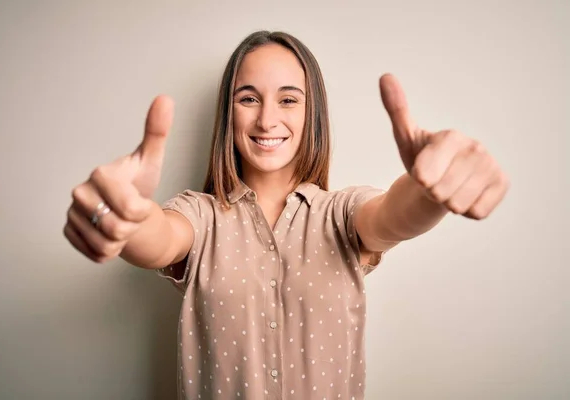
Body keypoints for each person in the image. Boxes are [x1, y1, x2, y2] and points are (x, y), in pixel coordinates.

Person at [64, 30, 509, 399]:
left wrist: (431, 189)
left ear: (311, 113)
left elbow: (393, 215)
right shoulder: (200, 215)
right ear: (228, 112)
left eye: (289, 100)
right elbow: (157, 237)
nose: (267, 120)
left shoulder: (342, 213)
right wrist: (121, 217)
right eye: (249, 99)